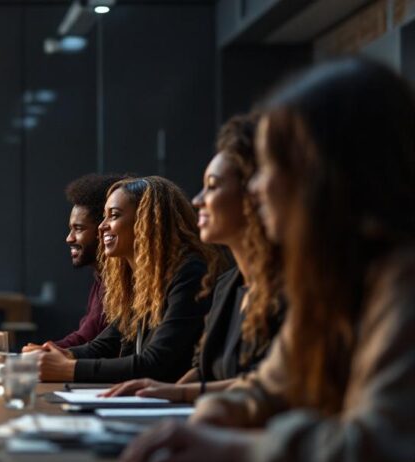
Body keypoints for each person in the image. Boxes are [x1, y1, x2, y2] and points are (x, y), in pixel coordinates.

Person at [121, 58, 415, 462]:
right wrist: (218, 414)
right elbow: (270, 387)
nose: (257, 187)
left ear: (324, 173)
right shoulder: (333, 278)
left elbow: (375, 451)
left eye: (273, 165)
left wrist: (235, 448)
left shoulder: (402, 278)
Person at [102, 116, 283, 401]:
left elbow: (276, 384)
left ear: (254, 196)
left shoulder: (289, 286)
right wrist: (171, 394)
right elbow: (202, 369)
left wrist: (178, 394)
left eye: (212, 186)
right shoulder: (226, 284)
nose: (198, 200)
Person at [37, 176, 222, 383]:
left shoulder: (189, 273)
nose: (102, 226)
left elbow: (155, 363)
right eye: (104, 217)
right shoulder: (142, 280)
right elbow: (106, 345)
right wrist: (59, 355)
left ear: (148, 221)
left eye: (114, 215)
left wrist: (69, 369)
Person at [22, 174, 126, 353]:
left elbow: (93, 342)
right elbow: (86, 338)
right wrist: (46, 350)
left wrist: (47, 352)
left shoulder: (123, 281)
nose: (69, 238)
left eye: (78, 229)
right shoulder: (102, 278)